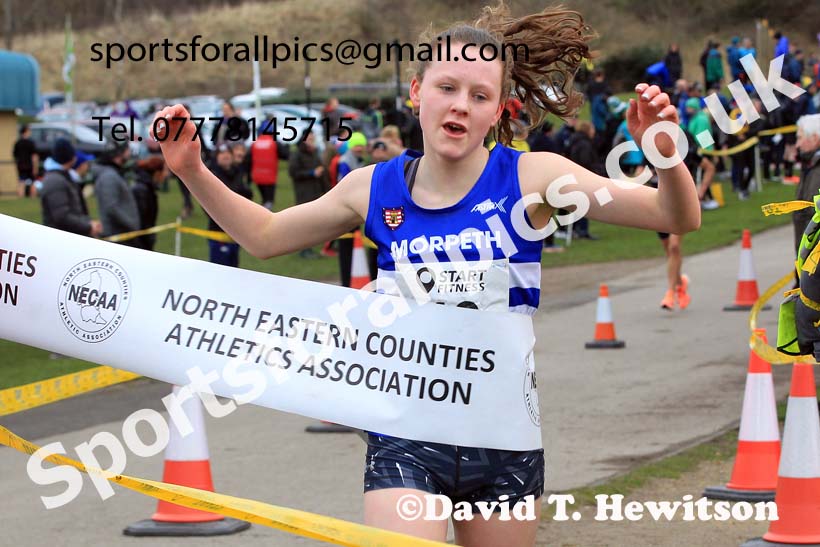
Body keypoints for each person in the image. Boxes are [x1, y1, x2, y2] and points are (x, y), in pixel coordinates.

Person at [152, 4, 699, 544]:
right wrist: (192, 171)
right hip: (406, 437)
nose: (461, 105)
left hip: (503, 438)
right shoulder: (373, 187)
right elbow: (265, 237)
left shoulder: (535, 179)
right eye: (447, 87)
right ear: (416, 92)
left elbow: (675, 216)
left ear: (499, 111)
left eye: (479, 95)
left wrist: (668, 157)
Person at [39, 138, 102, 238]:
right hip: (61, 240)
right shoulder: (55, 180)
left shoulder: (63, 177)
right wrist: (88, 226)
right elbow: (62, 216)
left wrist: (88, 224)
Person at [288, 132, 328, 259]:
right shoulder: (297, 154)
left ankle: (309, 247)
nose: (312, 140)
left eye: (313, 137)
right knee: (304, 223)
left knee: (312, 223)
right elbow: (293, 172)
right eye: (310, 138)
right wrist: (311, 173)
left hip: (315, 191)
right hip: (304, 192)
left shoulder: (315, 152)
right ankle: (304, 250)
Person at [94, 142, 141, 243]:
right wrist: (131, 224)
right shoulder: (109, 176)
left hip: (121, 234)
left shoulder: (113, 173)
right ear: (119, 153)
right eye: (127, 149)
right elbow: (111, 207)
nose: (129, 153)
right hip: (117, 236)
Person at [792, 114, 820, 251]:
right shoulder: (809, 165)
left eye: (800, 138)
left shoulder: (816, 169)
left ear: (815, 138)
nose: (797, 144)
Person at [132, 156, 167, 251]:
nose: (166, 175)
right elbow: (142, 220)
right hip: (140, 243)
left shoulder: (148, 188)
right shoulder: (142, 190)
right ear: (157, 172)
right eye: (165, 171)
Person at [13, 124, 39, 198]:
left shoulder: (17, 143)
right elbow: (34, 156)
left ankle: (21, 198)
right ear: (26, 131)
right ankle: (33, 197)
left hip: (20, 166)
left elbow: (15, 155)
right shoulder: (31, 143)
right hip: (30, 165)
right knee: (33, 182)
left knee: (21, 182)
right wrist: (35, 167)